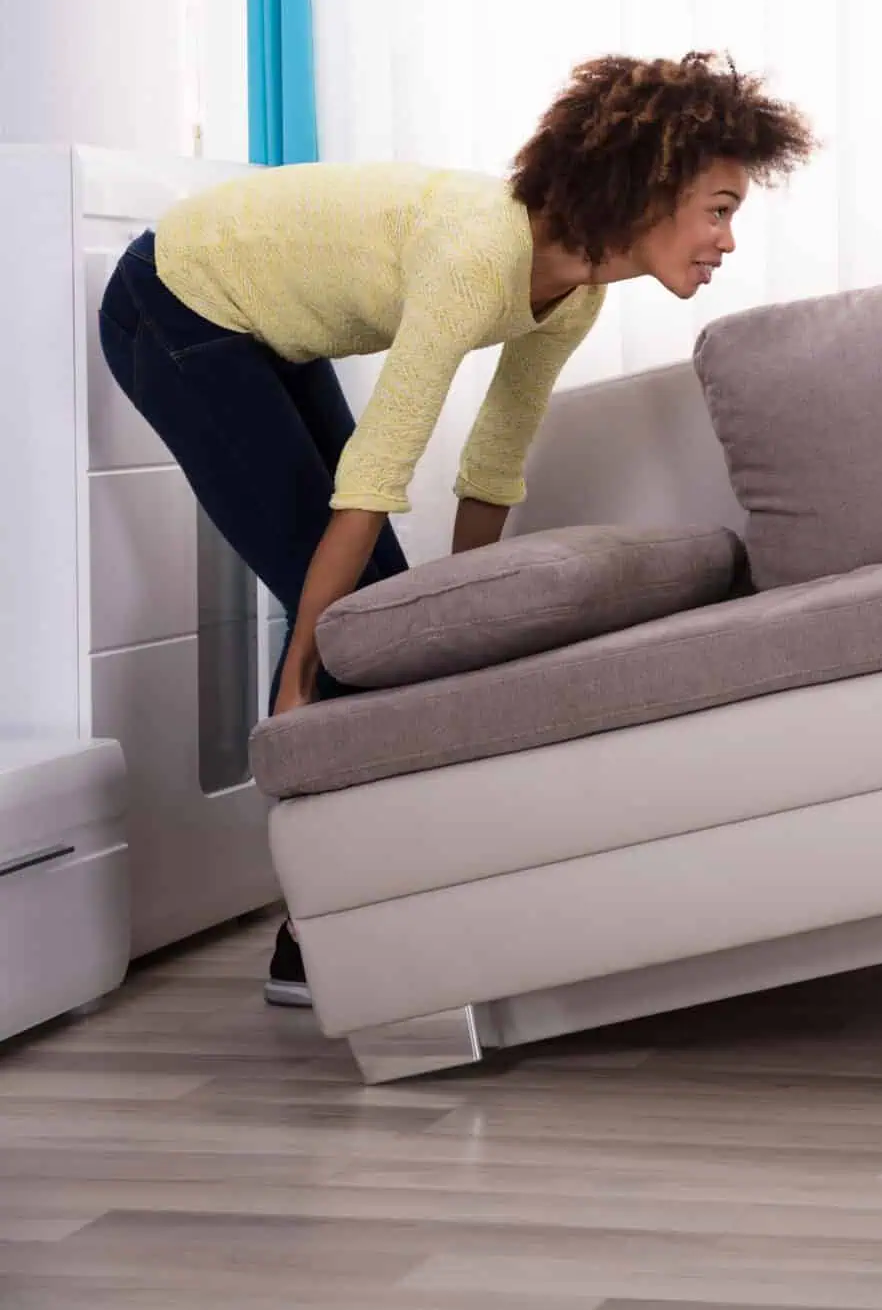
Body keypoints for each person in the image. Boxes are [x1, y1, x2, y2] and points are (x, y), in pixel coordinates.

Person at [96, 51, 812, 1007]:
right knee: (354, 628)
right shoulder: (478, 257)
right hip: (175, 302)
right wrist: (307, 675)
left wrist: (456, 630)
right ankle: (318, 935)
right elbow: (375, 479)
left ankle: (343, 913)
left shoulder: (576, 290)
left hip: (268, 323)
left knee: (386, 621)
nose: (728, 238)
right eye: (719, 208)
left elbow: (492, 460)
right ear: (650, 187)